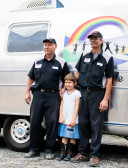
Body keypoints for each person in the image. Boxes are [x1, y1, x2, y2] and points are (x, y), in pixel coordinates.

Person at [71, 31, 114, 167]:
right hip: (82, 93)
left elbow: (109, 79)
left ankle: (94, 156)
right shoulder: (84, 55)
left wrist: (105, 99)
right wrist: (67, 87)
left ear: (101, 41)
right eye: (91, 39)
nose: (93, 41)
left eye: (95, 39)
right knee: (83, 124)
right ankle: (83, 153)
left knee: (96, 126)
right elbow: (77, 74)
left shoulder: (107, 58)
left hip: (97, 95)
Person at [24, 38, 70, 160]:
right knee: (34, 122)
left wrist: (64, 89)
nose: (47, 47)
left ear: (55, 46)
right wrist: (27, 92)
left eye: (49, 45)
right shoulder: (37, 61)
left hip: (53, 96)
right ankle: (34, 149)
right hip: (38, 95)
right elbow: (31, 77)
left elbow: (68, 78)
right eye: (45, 45)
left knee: (52, 123)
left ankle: (49, 150)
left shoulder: (61, 62)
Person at [57, 73, 81, 161]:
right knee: (64, 136)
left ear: (75, 83)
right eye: (66, 82)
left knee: (72, 137)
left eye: (69, 82)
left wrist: (74, 118)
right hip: (64, 119)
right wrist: (61, 116)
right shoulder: (64, 93)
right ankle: (62, 153)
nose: (67, 84)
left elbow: (77, 106)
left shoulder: (77, 93)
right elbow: (61, 105)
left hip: (72, 119)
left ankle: (69, 154)